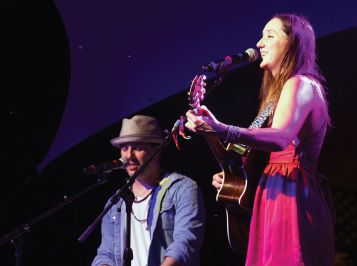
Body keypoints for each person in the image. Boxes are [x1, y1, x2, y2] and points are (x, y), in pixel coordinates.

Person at [186, 13, 335, 266]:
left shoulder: (300, 83)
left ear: (292, 43)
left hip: (291, 191)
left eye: (270, 35)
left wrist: (222, 128)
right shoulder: (274, 99)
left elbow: (280, 138)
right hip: (276, 190)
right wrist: (232, 173)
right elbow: (247, 152)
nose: (259, 43)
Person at [92, 115, 206, 266]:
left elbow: (185, 243)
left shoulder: (183, 188)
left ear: (156, 150)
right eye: (124, 148)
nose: (128, 156)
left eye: (138, 147)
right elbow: (106, 254)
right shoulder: (116, 203)